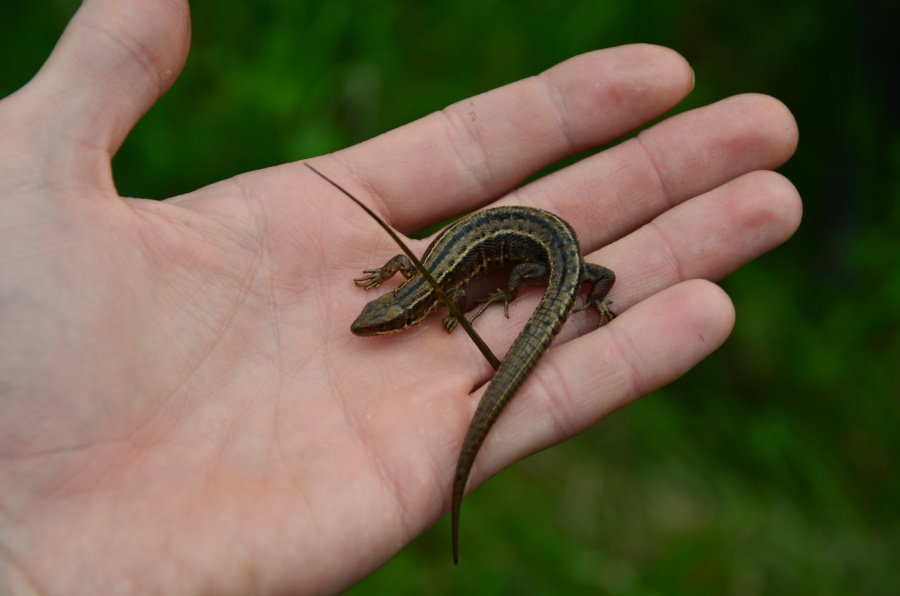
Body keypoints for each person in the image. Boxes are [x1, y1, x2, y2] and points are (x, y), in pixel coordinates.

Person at [0, 0, 800, 594]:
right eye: (383, 316)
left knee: (555, 284)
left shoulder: (445, 293)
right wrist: (396, 280)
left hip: (547, 255)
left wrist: (544, 295)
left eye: (384, 316)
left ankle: (578, 298)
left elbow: (467, 282)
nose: (372, 321)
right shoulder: (426, 285)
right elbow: (413, 271)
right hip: (534, 250)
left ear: (413, 311)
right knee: (532, 286)